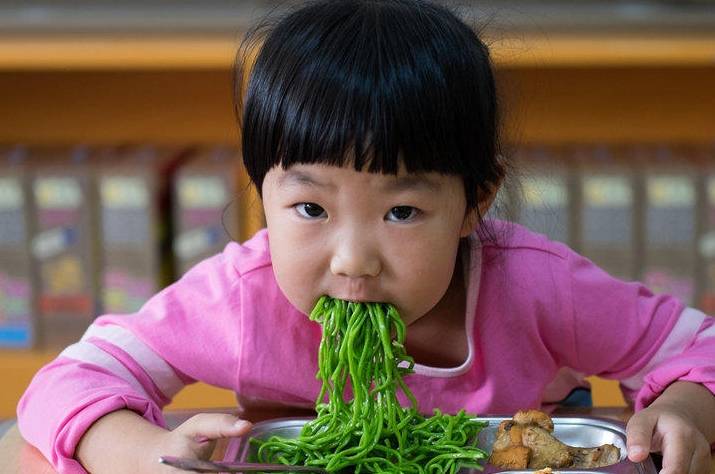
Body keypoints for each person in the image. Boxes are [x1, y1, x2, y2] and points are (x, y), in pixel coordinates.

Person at [18, 1, 715, 473]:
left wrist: (686, 406)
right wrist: (142, 453)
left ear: (474, 201)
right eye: (310, 210)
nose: (353, 260)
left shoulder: (536, 286)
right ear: (262, 191)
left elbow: (699, 350)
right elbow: (67, 383)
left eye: (401, 213)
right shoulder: (238, 300)